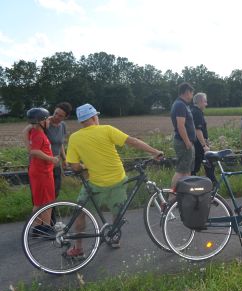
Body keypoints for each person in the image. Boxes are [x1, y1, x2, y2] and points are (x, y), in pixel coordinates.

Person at [65, 103, 163, 256]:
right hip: (118, 180)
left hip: (95, 183)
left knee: (80, 213)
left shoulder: (75, 138)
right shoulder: (107, 130)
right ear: (93, 117)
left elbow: (75, 166)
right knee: (118, 211)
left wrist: (86, 165)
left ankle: (78, 248)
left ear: (81, 121)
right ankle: (115, 237)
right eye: (96, 116)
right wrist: (155, 151)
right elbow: (133, 142)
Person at [23, 102, 72, 201]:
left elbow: (60, 143)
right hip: (42, 165)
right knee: (40, 197)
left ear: (65, 117)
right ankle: (40, 216)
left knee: (54, 193)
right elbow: (25, 131)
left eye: (60, 115)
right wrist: (30, 150)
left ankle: (50, 216)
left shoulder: (63, 126)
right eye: (56, 113)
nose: (56, 116)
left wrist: (64, 159)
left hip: (55, 164)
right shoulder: (44, 122)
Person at [26, 107, 59, 237]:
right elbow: (34, 151)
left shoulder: (35, 131)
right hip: (42, 173)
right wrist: (51, 158)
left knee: (42, 201)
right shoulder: (38, 134)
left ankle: (38, 228)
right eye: (47, 119)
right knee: (44, 202)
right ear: (41, 121)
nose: (49, 121)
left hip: (42, 172)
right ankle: (44, 228)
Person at [170, 82, 196, 190]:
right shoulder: (180, 105)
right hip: (184, 142)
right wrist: (187, 142)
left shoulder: (181, 104)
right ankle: (171, 199)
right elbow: (181, 126)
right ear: (187, 92)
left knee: (186, 171)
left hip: (185, 142)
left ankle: (184, 196)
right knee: (181, 171)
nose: (192, 96)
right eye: (192, 93)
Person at [190, 92, 216, 182]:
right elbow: (198, 130)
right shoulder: (197, 113)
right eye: (205, 102)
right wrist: (204, 146)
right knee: (207, 166)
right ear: (200, 101)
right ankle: (212, 186)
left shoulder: (193, 110)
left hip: (195, 144)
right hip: (199, 145)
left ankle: (208, 185)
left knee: (204, 166)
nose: (206, 104)